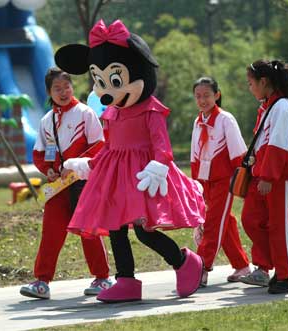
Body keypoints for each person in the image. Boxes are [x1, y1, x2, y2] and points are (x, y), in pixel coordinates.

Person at [55, 19, 205, 302]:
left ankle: (184, 262)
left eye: (113, 80)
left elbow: (163, 146)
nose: (107, 91)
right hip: (115, 175)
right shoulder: (112, 113)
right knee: (115, 227)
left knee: (144, 231)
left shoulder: (150, 110)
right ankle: (126, 280)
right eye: (101, 81)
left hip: (144, 175)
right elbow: (109, 147)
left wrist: (159, 167)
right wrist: (88, 164)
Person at [20, 68, 112, 299]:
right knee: (51, 231)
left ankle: (102, 278)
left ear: (72, 86)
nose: (63, 92)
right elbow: (42, 154)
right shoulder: (46, 120)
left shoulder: (85, 113)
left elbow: (99, 146)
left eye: (66, 86)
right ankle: (41, 281)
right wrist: (49, 170)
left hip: (83, 182)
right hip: (58, 186)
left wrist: (76, 165)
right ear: (49, 92)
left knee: (88, 230)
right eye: (57, 89)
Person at [239, 59, 288, 294]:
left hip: (279, 179)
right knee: (251, 219)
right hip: (263, 177)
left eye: (250, 83)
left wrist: (267, 176)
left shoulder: (283, 107)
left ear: (263, 82)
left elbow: (279, 146)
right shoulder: (269, 107)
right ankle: (270, 265)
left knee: (281, 227)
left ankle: (287, 276)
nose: (250, 88)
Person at [190, 77, 250, 286]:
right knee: (225, 221)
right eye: (198, 96)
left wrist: (242, 180)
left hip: (225, 181)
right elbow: (194, 154)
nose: (202, 100)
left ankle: (201, 267)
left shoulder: (226, 119)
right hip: (205, 181)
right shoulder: (197, 122)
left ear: (217, 95)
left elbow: (238, 153)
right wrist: (195, 183)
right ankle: (242, 265)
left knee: (213, 222)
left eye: (206, 95)